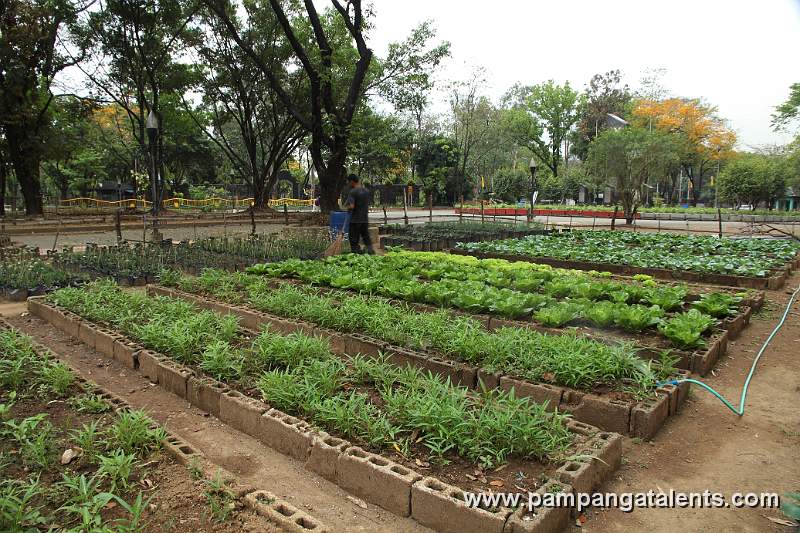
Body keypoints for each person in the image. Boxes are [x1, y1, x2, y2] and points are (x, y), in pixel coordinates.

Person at [344, 174, 374, 254]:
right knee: (366, 238)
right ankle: (371, 253)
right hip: (364, 220)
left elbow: (351, 206)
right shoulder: (366, 191)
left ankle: (355, 254)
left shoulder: (353, 192)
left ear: (352, 181)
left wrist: (347, 207)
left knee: (354, 240)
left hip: (355, 221)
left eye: (348, 182)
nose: (348, 184)